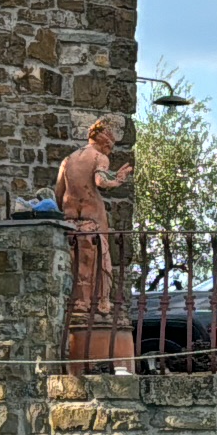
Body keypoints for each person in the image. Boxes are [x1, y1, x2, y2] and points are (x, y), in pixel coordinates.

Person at [55, 117, 134, 367]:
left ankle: (80, 306)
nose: (110, 149)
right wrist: (119, 179)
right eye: (110, 144)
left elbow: (58, 192)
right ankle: (100, 307)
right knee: (100, 268)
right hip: (94, 222)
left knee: (78, 269)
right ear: (103, 140)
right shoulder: (99, 157)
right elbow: (101, 182)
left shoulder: (68, 160)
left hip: (71, 223)